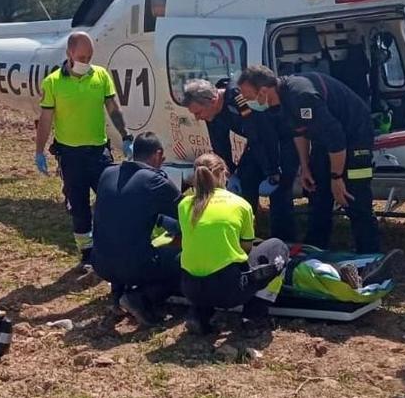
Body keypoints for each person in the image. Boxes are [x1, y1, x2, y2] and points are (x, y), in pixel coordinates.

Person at [236, 66, 380, 253]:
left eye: (248, 97)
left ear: (263, 91)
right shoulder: (280, 100)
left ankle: (370, 254)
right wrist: (304, 166)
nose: (246, 102)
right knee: (317, 192)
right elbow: (299, 131)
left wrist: (336, 178)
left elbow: (336, 138)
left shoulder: (302, 96)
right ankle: (316, 250)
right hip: (325, 140)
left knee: (354, 196)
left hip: (354, 137)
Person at [34, 31, 133, 269]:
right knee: (79, 207)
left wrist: (126, 136)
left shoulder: (101, 76)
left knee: (111, 199)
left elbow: (113, 108)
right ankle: (87, 253)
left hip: (98, 153)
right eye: (81, 56)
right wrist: (39, 150)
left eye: (89, 56)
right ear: (69, 53)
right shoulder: (53, 83)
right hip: (70, 156)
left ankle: (110, 245)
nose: (86, 61)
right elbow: (46, 119)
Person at [178, 153, 290, 335]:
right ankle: (254, 316)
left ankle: (199, 313)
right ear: (224, 174)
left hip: (190, 288)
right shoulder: (240, 204)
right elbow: (246, 248)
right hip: (228, 290)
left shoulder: (184, 204)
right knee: (278, 246)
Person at [181, 78, 298, 243]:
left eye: (198, 113)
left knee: (279, 191)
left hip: (281, 140)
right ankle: (243, 238)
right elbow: (219, 144)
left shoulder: (239, 99)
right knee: (245, 181)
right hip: (258, 143)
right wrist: (228, 172)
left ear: (213, 100)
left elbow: (261, 133)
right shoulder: (212, 113)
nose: (198, 118)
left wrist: (272, 171)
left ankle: (284, 242)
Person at [90, 132, 183, 327]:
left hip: (100, 262)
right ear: (157, 155)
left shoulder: (108, 172)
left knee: (122, 232)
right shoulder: (155, 181)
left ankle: (117, 295)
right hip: (133, 266)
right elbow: (187, 214)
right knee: (182, 261)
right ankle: (140, 298)